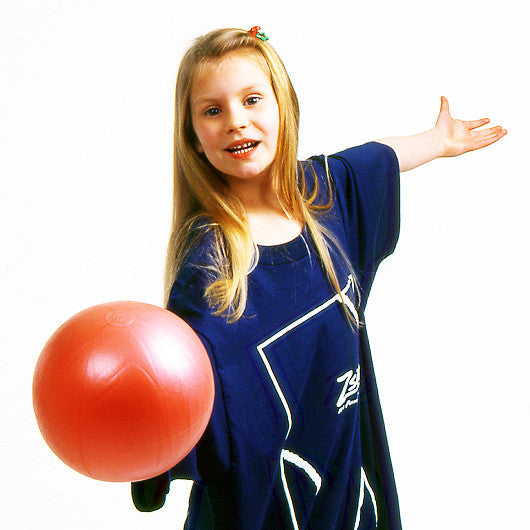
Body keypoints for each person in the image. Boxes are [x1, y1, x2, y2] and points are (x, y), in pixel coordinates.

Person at [131, 26, 506, 529]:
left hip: (350, 500)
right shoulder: (211, 269)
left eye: (252, 99)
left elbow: (380, 157)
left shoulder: (325, 196)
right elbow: (178, 399)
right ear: (193, 138)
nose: (236, 122)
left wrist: (439, 140)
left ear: (283, 107)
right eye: (213, 110)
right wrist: (140, 444)